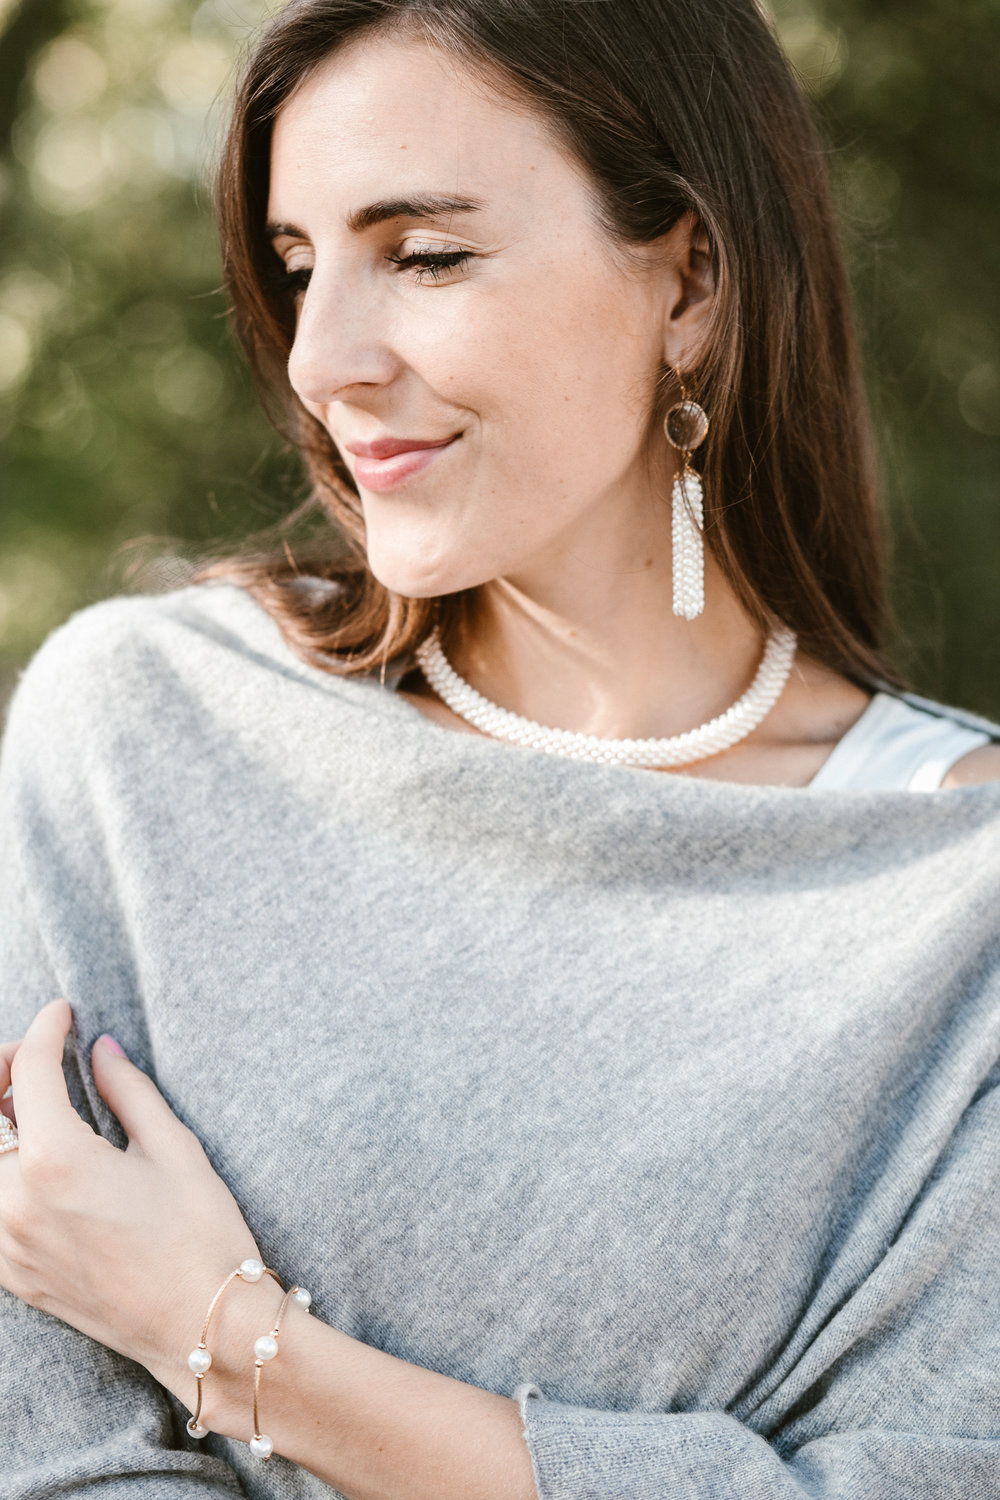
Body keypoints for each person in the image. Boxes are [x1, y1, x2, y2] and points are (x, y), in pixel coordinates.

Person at [2, 0, 999, 1496]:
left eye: (427, 254)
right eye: (295, 267)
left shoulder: (960, 904)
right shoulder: (143, 733)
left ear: (694, 284)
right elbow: (52, 1451)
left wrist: (223, 1338)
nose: (322, 357)